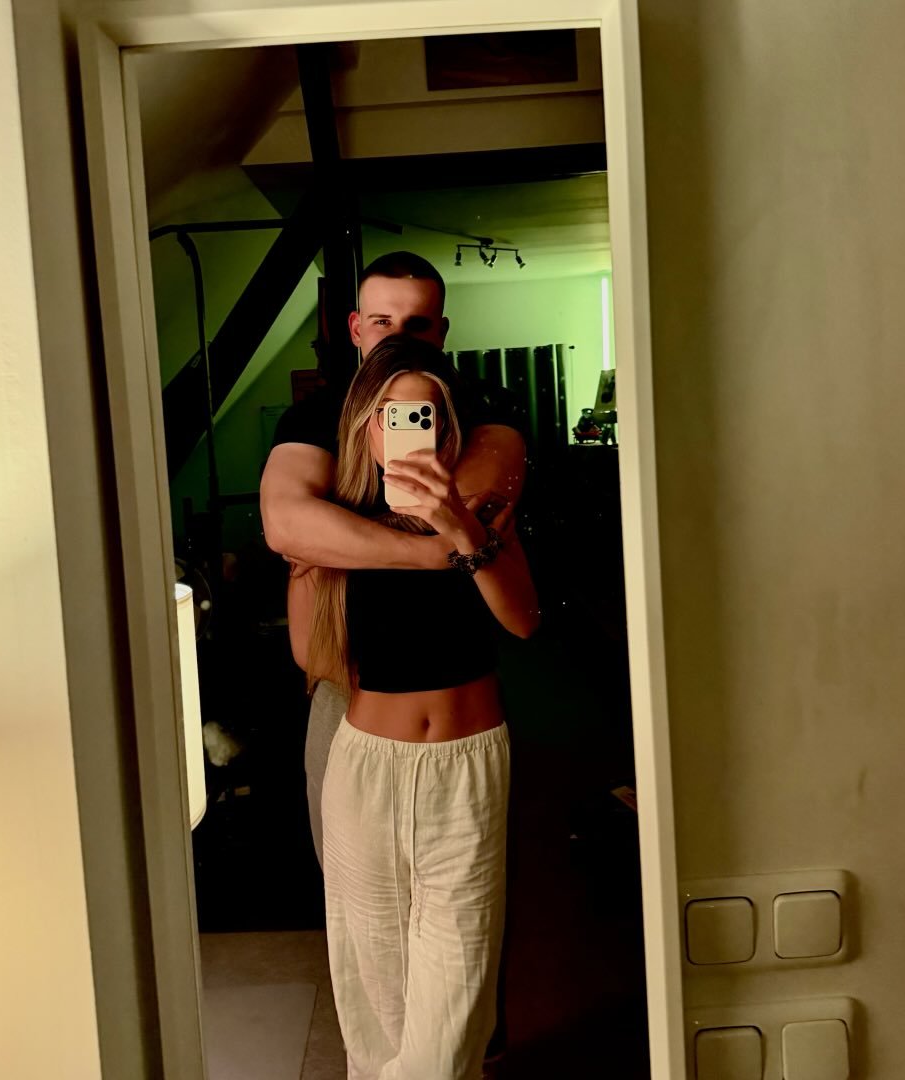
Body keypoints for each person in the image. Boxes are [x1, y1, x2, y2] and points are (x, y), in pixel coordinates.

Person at [287, 336, 539, 1080]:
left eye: (424, 415)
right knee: (376, 1001)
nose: (407, 430)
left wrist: (456, 527)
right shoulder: (336, 526)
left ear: (447, 427)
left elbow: (524, 621)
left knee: (456, 1000)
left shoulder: (483, 514)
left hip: (466, 769)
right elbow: (314, 659)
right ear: (366, 427)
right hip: (366, 773)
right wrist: (316, 565)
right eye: (391, 416)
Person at [260, 252, 526, 868]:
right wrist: (437, 553)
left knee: (463, 896)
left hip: (460, 702)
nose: (399, 338)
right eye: (383, 322)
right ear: (356, 328)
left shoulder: (485, 411)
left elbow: (477, 504)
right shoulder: (314, 417)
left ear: (442, 331)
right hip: (347, 687)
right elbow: (286, 524)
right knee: (354, 894)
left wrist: (338, 532)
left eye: (418, 324)